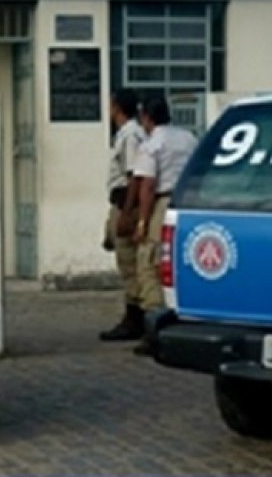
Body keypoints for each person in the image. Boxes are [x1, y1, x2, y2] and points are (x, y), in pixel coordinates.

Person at [130, 93, 198, 355]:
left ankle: (154, 330)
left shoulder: (151, 144)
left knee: (150, 266)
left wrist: (142, 223)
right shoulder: (188, 138)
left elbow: (147, 186)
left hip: (161, 204)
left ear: (146, 116)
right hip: (187, 204)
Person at [99, 88, 146, 341]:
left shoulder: (130, 136)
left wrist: (128, 214)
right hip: (119, 202)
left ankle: (135, 317)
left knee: (129, 262)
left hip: (127, 202)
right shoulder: (126, 134)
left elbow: (133, 177)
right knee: (119, 251)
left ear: (117, 107)